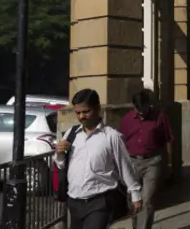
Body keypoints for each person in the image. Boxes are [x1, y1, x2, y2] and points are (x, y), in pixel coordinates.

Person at [55, 89, 142, 229]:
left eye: (86, 111)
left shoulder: (111, 136)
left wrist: (135, 193)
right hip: (75, 201)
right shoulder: (71, 134)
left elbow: (124, 165)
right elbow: (61, 165)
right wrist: (59, 154)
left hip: (100, 201)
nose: (82, 116)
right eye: (78, 113)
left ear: (98, 109)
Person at [119, 90, 174, 229]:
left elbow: (167, 140)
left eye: (143, 108)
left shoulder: (160, 117)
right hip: (132, 162)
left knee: (148, 199)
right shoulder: (127, 119)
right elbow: (120, 142)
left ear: (148, 104)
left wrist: (167, 164)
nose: (141, 112)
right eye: (138, 108)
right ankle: (136, 225)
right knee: (133, 199)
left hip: (152, 162)